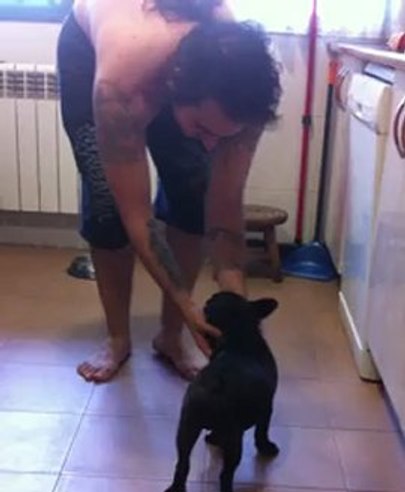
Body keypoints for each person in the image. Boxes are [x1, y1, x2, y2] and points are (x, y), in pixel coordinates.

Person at [57, 0, 281, 382]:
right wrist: (190, 305)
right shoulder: (121, 88)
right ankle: (118, 338)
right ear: (175, 91)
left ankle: (171, 337)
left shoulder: (247, 92)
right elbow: (137, 215)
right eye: (202, 129)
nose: (210, 144)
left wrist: (238, 310)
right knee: (108, 206)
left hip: (178, 74)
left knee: (194, 195)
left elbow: (225, 206)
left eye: (221, 135)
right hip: (95, 53)